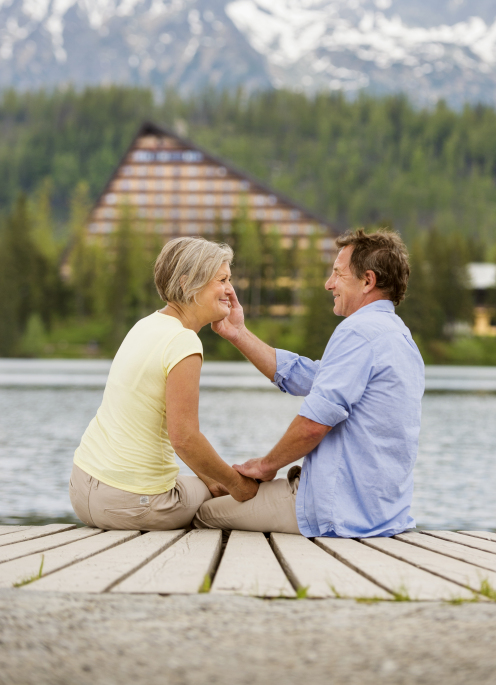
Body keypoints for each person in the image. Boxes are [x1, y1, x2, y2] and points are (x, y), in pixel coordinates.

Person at [199, 228, 424, 538]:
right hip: (381, 514)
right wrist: (239, 334)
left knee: (205, 514)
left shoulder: (359, 332)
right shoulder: (398, 336)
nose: (328, 284)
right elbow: (306, 375)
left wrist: (265, 466)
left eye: (337, 274)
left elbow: (315, 424)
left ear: (368, 281)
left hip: (336, 512)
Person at [69, 237, 258, 530]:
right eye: (221, 280)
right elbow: (184, 438)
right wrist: (238, 485)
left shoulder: (147, 324)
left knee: (208, 484)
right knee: (221, 500)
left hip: (82, 489)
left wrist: (212, 478)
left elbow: (181, 439)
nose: (230, 290)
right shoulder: (183, 341)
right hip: (130, 505)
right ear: (187, 284)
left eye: (229, 279)